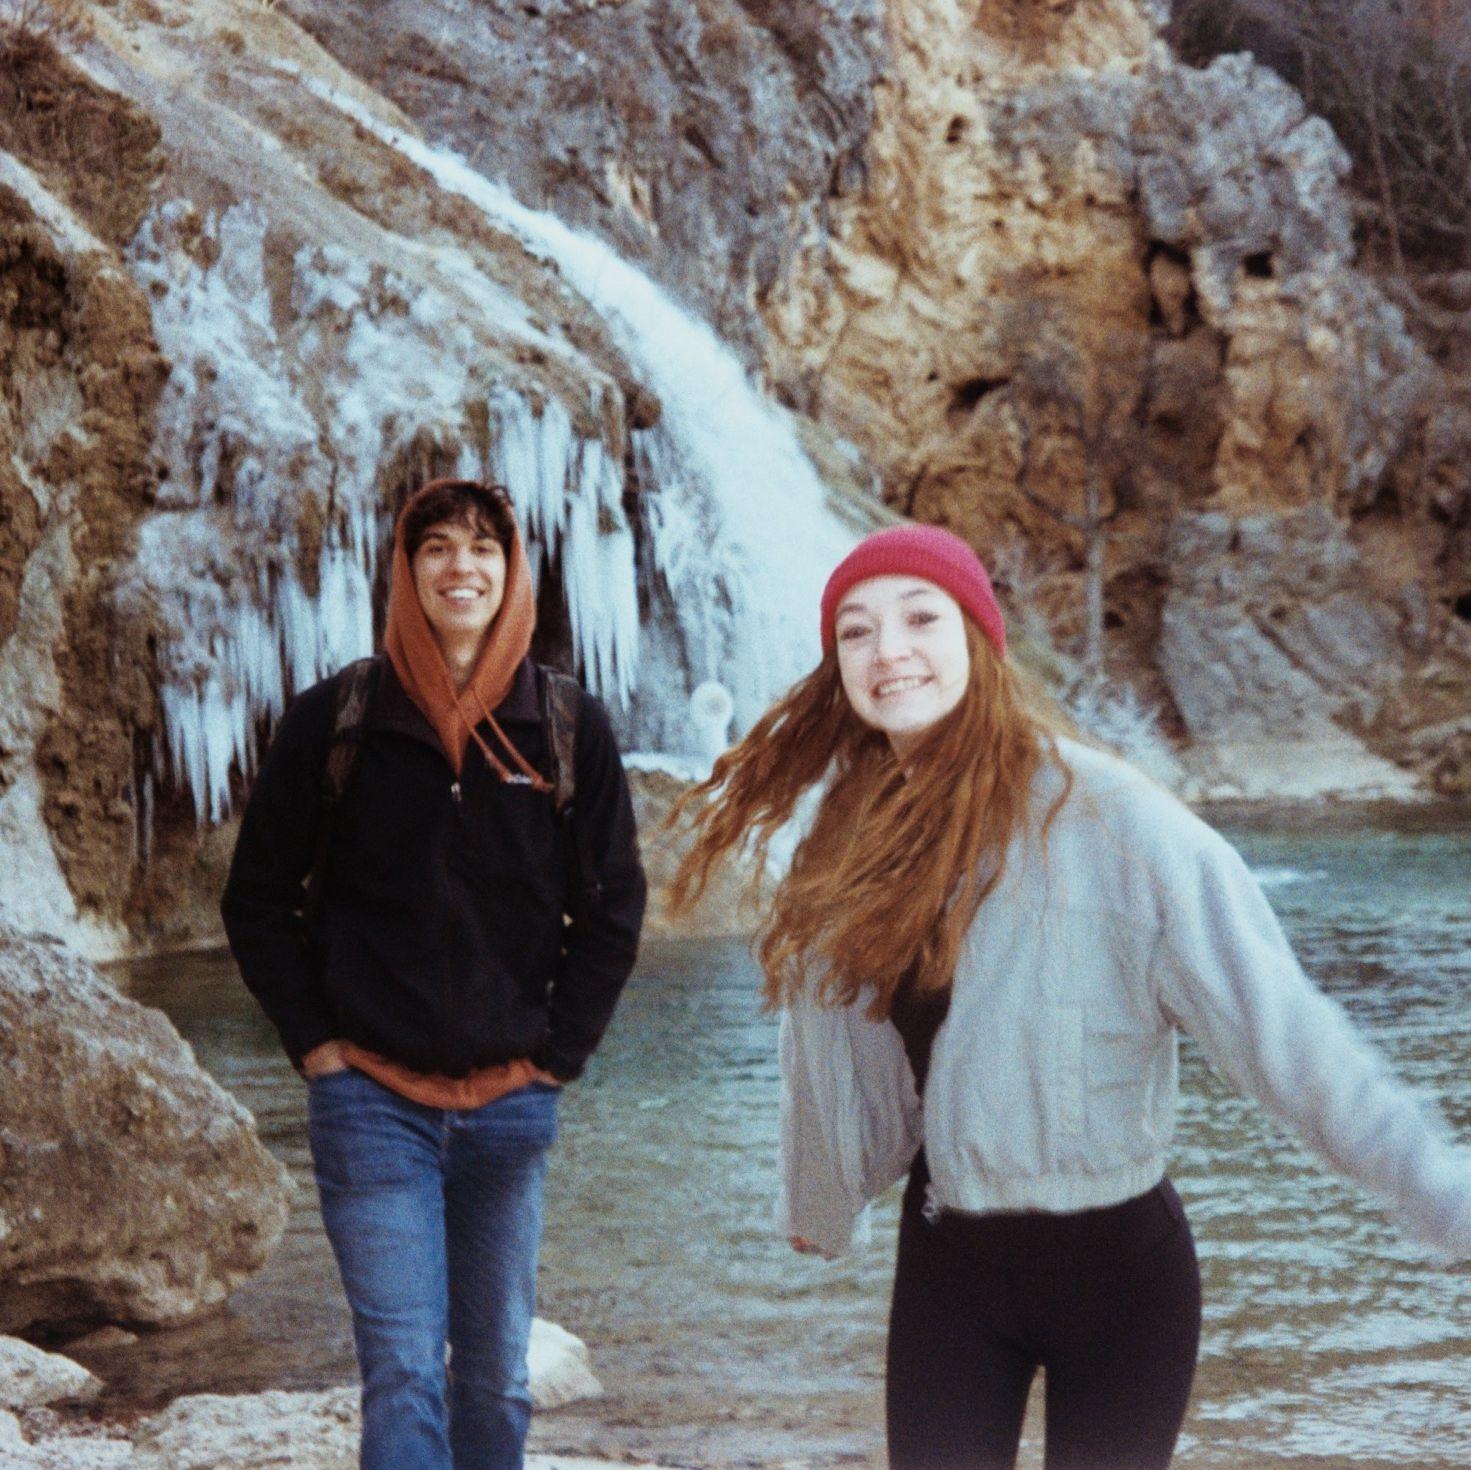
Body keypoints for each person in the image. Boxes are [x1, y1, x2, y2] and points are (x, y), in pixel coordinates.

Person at [669, 522, 1471, 1470]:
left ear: (975, 637)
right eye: (855, 630)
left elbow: (1288, 1039)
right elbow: (842, 1046)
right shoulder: (849, 841)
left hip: (1120, 1284)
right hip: (949, 1270)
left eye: (918, 618)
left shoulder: (1117, 823)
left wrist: (1446, 1196)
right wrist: (819, 1195)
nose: (887, 650)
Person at [222, 478, 646, 1470]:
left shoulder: (567, 727)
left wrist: (558, 1055)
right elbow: (255, 899)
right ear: (406, 571)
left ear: (513, 571)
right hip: (371, 1105)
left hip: (511, 1106)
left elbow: (616, 905)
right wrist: (314, 1042)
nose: (463, 567)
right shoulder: (340, 719)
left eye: (484, 548)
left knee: (495, 1379)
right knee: (405, 1372)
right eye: (439, 548)